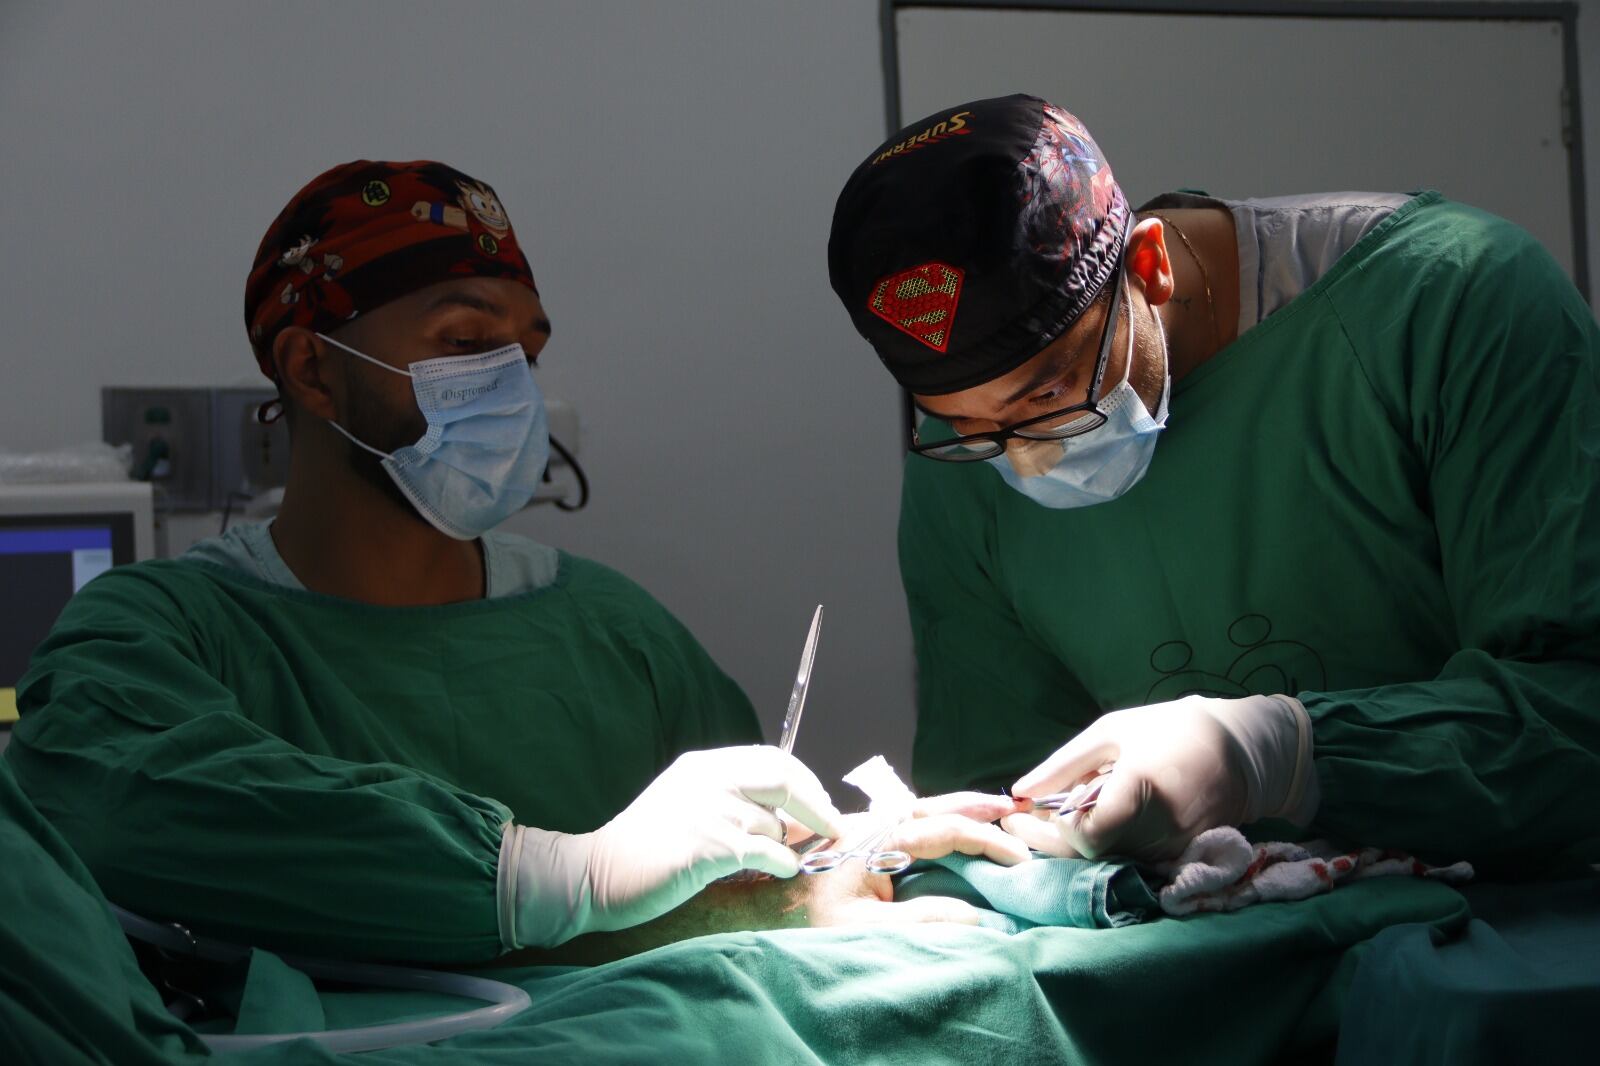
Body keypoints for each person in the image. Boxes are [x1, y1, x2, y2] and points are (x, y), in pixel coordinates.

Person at [6, 160, 1021, 969]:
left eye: (523, 354)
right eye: (464, 341)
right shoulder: (156, 634)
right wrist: (551, 874)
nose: (511, 387)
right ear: (313, 369)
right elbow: (119, 804)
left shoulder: (616, 634)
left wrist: (851, 853)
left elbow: (758, 884)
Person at [826, 94, 1600, 871]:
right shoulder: (965, 460)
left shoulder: (1451, 303)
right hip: (1210, 962)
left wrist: (1282, 755)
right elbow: (999, 797)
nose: (1027, 459)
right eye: (969, 427)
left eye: (1050, 396)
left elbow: (1577, 712)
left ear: (1149, 267)